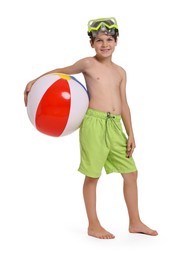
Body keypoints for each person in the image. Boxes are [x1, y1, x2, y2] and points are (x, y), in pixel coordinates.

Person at [24, 17, 158, 239]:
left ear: (116, 42)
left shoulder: (120, 72)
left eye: (109, 39)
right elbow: (61, 71)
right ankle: (93, 225)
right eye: (99, 40)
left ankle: (135, 222)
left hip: (115, 126)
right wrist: (34, 82)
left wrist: (131, 132)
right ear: (91, 44)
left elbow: (124, 103)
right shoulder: (87, 64)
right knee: (93, 175)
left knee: (131, 173)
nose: (104, 44)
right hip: (93, 124)